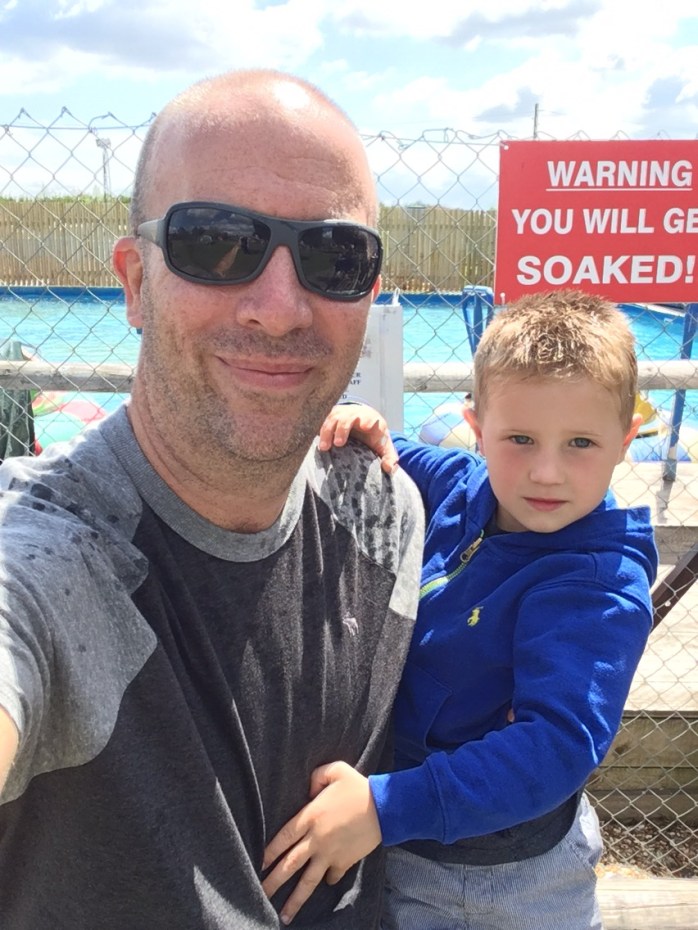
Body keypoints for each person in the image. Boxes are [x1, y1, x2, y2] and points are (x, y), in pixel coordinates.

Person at [0, 70, 425, 929]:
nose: (281, 309)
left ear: (369, 296)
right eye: (218, 243)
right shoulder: (55, 555)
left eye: (334, 256)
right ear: (134, 281)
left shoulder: (382, 513)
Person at [262, 290, 658, 929]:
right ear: (478, 430)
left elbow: (556, 746)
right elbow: (398, 456)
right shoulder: (463, 485)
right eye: (520, 439)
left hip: (506, 873)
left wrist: (383, 808)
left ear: (625, 440)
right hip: (409, 837)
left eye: (581, 443)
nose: (546, 472)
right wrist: (364, 425)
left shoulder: (597, 585)